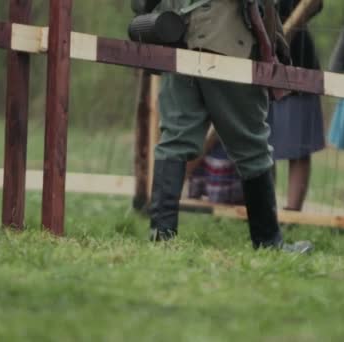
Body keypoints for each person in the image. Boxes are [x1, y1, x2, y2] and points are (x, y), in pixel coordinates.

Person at [131, 0, 312, 252]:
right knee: (252, 148)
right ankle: (269, 242)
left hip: (178, 38)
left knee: (175, 140)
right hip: (227, 42)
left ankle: (161, 237)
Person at [268, 0, 325, 212]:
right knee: (259, 143)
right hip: (255, 57)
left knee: (299, 147)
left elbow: (315, 5)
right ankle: (264, 207)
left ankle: (293, 213)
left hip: (297, 58)